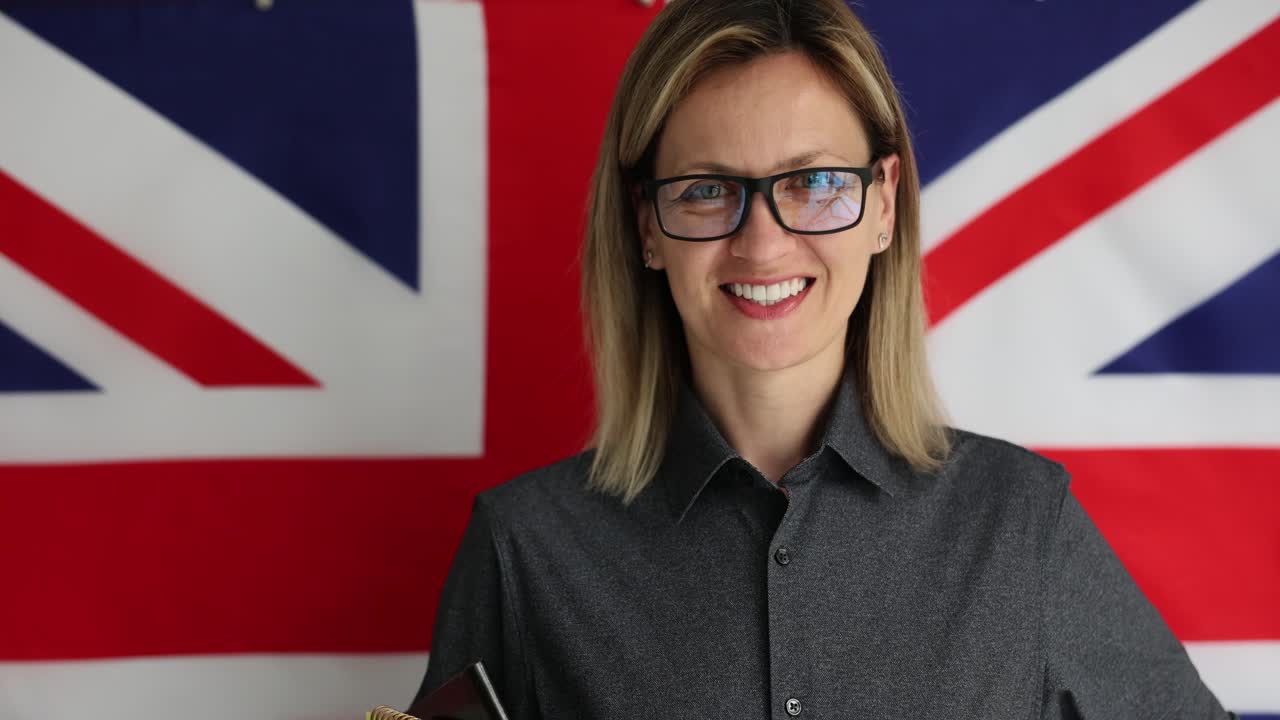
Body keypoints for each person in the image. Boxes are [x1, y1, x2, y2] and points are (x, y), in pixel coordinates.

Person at [409, 0, 1235, 717]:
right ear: (646, 226)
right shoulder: (525, 547)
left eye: (814, 184)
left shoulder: (1020, 523)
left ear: (882, 205)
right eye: (705, 189)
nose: (763, 242)